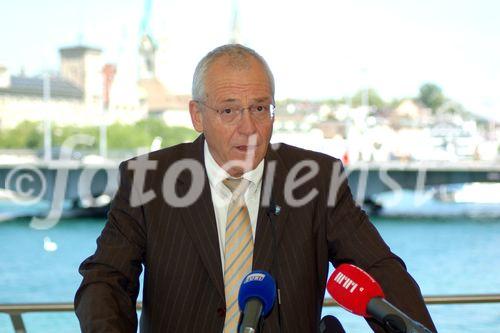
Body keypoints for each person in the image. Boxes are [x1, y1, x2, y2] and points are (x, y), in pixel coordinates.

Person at [75, 44, 436, 333]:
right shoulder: (149, 179)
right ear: (197, 115)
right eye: (229, 111)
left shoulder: (316, 179)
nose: (249, 128)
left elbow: (380, 270)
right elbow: (106, 280)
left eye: (260, 108)